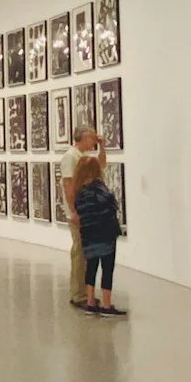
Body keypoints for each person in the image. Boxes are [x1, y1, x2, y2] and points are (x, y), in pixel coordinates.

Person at [71, 152, 124, 315]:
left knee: (91, 267)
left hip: (89, 234)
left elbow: (80, 212)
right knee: (107, 268)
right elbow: (110, 206)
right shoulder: (99, 189)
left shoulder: (79, 193)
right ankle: (107, 305)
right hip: (105, 233)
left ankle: (90, 302)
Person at [59, 124, 101, 307]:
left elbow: (101, 166)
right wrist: (74, 211)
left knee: (84, 253)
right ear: (84, 138)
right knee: (80, 253)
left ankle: (83, 292)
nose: (94, 141)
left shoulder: (82, 157)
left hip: (85, 210)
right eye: (92, 138)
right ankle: (78, 295)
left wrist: (103, 147)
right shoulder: (70, 157)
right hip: (78, 212)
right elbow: (68, 184)